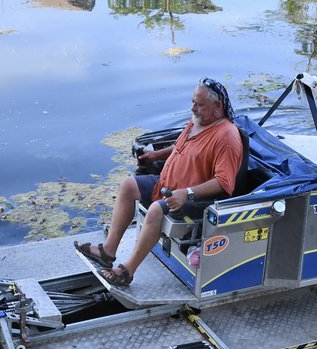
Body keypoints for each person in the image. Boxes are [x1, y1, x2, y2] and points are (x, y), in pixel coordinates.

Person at [75, 78, 242, 287]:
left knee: (155, 210)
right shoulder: (198, 120)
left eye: (199, 104)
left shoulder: (226, 136)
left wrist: (186, 193)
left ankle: (127, 271)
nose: (193, 108)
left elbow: (224, 183)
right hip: (167, 185)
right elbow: (180, 145)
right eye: (192, 102)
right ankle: (107, 251)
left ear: (217, 107)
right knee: (128, 185)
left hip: (194, 200)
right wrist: (155, 156)